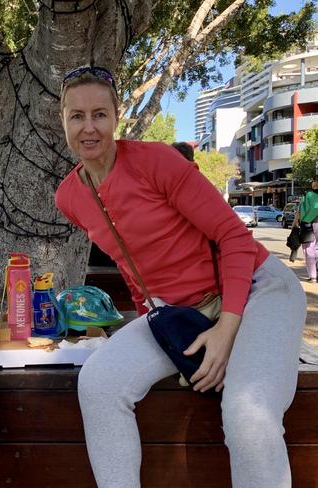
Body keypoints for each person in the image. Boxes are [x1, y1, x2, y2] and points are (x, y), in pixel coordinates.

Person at [54, 66, 306, 488]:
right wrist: (156, 330)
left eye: (100, 114)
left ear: (117, 117)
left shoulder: (155, 160)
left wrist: (226, 331)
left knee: (247, 412)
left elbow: (234, 239)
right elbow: (133, 268)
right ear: (62, 120)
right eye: (76, 116)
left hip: (258, 289)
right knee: (98, 382)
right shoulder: (69, 197)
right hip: (179, 311)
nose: (88, 127)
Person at [292, 175, 318, 283]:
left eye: (315, 180)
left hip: (309, 224)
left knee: (308, 249)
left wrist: (295, 222)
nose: (313, 182)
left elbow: (300, 211)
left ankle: (313, 276)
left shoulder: (308, 194)